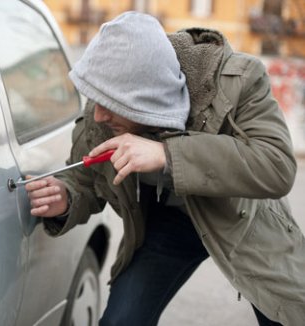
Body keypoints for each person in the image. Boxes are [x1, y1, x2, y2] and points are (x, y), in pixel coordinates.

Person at [25, 11, 305, 326]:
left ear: (148, 99)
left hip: (243, 218)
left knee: (291, 316)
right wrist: (67, 196)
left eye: (111, 104)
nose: (99, 115)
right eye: (95, 99)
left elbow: (276, 164)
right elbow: (86, 179)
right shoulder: (102, 109)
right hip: (169, 225)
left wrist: (166, 153)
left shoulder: (239, 80)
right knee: (121, 321)